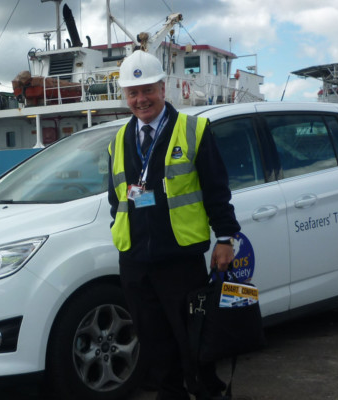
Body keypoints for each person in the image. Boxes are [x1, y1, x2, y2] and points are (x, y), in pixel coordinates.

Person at [107, 50, 241, 400]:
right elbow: (116, 199)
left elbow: (216, 189)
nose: (141, 100)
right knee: (153, 342)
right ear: (126, 96)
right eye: (133, 93)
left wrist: (225, 238)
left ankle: (206, 391)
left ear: (163, 89)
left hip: (179, 258)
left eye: (147, 90)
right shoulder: (118, 141)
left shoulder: (193, 130)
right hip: (135, 261)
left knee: (192, 338)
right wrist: (120, 234)